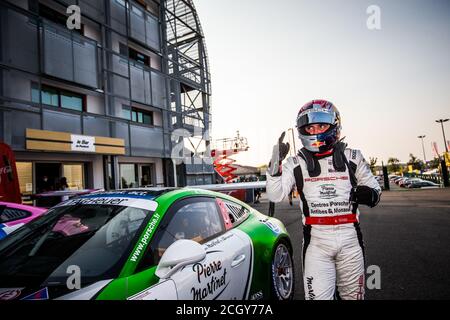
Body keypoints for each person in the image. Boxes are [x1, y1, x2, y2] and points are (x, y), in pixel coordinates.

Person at [266, 99, 381, 300]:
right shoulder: (295, 162)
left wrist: (369, 194)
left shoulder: (353, 157)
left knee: (354, 297)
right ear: (302, 129)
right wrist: (275, 163)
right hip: (316, 242)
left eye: (321, 125)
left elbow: (375, 190)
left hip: (350, 239)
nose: (315, 130)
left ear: (334, 125)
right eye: (309, 127)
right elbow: (276, 195)